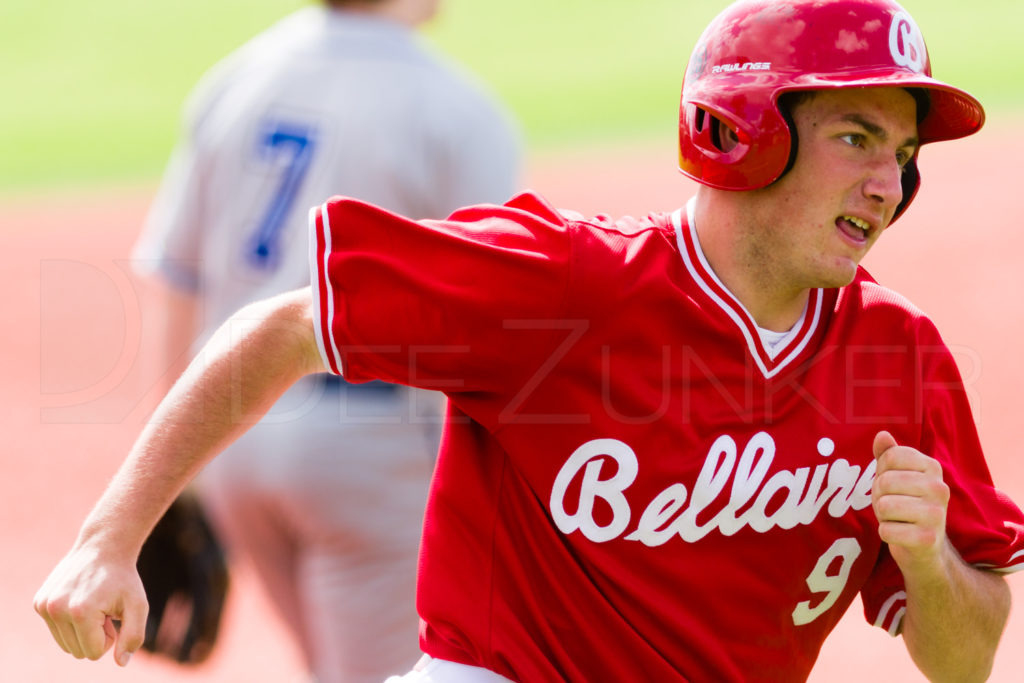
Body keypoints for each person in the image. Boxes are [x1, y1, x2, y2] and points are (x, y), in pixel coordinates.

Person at [34, 1, 1024, 681]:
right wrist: (107, 537)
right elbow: (285, 323)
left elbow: (966, 656)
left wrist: (928, 555)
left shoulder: (901, 356)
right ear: (742, 130)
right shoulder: (566, 285)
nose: (887, 185)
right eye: (856, 136)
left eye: (901, 157)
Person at [129, 0, 520, 681]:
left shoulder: (238, 77)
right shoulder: (455, 106)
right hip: (367, 451)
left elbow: (179, 276)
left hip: (230, 438)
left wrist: (177, 479)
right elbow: (498, 313)